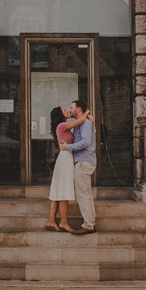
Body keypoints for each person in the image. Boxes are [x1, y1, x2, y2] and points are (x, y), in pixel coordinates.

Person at [45, 105, 88, 231]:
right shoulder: (61, 126)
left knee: (58, 191)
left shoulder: (63, 127)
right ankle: (63, 222)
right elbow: (80, 121)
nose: (67, 111)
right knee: (63, 190)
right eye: (65, 110)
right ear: (60, 114)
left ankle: (51, 221)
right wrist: (86, 113)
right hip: (65, 159)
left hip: (64, 158)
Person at [59, 99, 96, 234]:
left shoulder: (85, 124)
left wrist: (67, 147)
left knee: (82, 195)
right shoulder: (83, 123)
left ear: (79, 109)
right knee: (86, 194)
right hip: (85, 161)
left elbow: (86, 142)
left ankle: (88, 225)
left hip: (83, 162)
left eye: (71, 107)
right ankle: (91, 222)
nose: (69, 109)